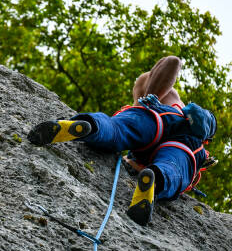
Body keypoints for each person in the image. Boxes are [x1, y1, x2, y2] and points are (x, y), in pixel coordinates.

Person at [27, 56, 217, 226]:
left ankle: (88, 126)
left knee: (115, 130)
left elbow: (172, 62)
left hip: (153, 118)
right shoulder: (176, 101)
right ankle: (156, 180)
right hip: (184, 141)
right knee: (173, 167)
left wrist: (148, 102)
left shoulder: (147, 88)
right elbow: (175, 61)